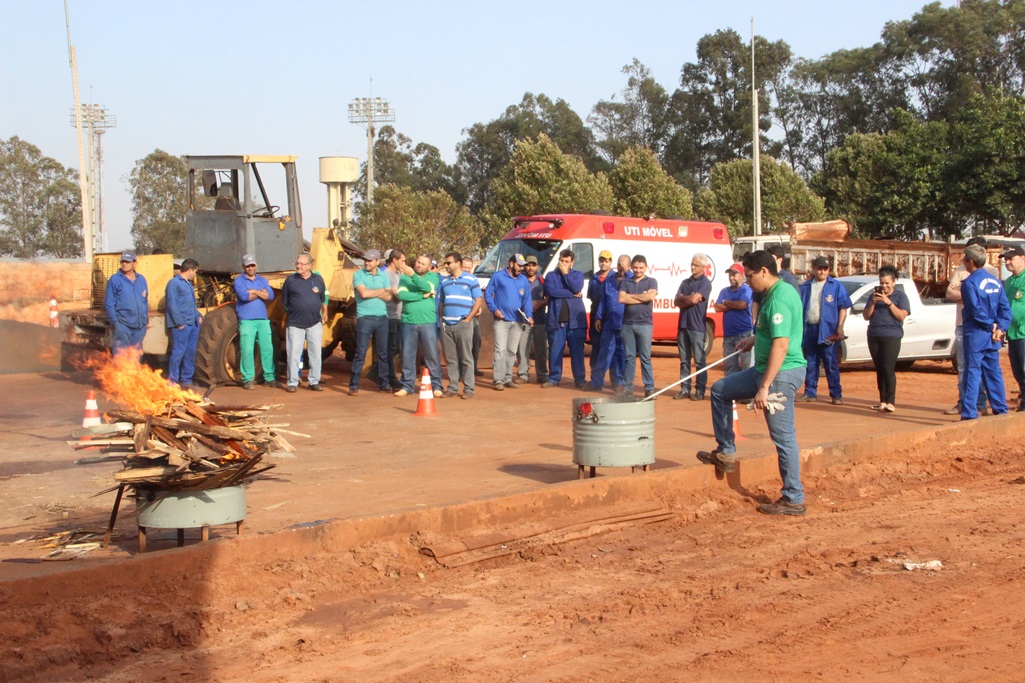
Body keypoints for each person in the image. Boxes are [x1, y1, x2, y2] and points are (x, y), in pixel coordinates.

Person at [697, 250, 807, 516]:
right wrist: (755, 339)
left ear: (764, 272)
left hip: (780, 374)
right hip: (765, 369)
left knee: (783, 436)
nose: (747, 281)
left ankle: (793, 497)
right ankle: (726, 451)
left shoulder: (779, 298)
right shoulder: (775, 293)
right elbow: (776, 334)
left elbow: (782, 345)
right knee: (720, 390)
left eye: (749, 276)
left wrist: (765, 387)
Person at [944, 237, 998, 415]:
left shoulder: (992, 271)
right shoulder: (961, 269)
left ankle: (980, 404)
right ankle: (964, 402)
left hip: (983, 327)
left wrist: (967, 295)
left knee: (983, 367)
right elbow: (949, 293)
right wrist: (970, 295)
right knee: (963, 366)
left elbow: (989, 299)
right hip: (962, 324)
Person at [960, 244, 1011, 420]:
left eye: (964, 259)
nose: (963, 262)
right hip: (992, 336)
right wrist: (1000, 328)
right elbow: (1005, 309)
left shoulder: (969, 283)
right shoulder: (996, 282)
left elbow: (975, 310)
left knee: (972, 373)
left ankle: (969, 413)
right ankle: (1001, 409)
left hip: (976, 334)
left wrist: (992, 326)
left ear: (971, 261)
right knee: (993, 372)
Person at [799, 255, 852, 405]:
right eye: (819, 268)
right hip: (809, 329)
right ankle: (810, 392)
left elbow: (843, 307)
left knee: (830, 363)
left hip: (828, 331)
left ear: (828, 270)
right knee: (810, 362)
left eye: (825, 269)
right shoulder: (806, 286)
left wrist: (840, 327)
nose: (822, 271)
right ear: (814, 269)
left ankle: (836, 394)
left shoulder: (835, 286)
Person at [862, 264, 910, 412]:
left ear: (894, 282)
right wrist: (874, 303)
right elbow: (866, 316)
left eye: (887, 283)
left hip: (891, 336)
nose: (884, 286)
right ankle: (882, 400)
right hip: (874, 335)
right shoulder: (873, 296)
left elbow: (901, 316)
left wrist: (888, 302)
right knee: (879, 369)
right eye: (882, 283)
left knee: (888, 368)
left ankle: (891, 401)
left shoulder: (900, 296)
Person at [394, 254, 444, 398]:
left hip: (427, 321)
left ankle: (436, 386)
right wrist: (422, 296)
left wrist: (413, 276)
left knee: (431, 354)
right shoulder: (404, 277)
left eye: (423, 264)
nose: (419, 265)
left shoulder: (433, 277)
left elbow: (427, 287)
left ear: (429, 267)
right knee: (407, 354)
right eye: (418, 262)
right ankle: (407, 386)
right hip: (408, 321)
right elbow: (402, 295)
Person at [348, 248, 394, 396]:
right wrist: (381, 290)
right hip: (365, 318)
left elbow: (389, 297)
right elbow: (363, 293)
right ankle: (354, 385)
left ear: (377, 261)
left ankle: (384, 383)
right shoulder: (358, 274)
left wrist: (373, 292)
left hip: (382, 318)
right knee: (360, 352)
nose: (366, 263)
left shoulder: (383, 275)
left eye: (370, 260)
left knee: (383, 353)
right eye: (365, 260)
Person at [438, 252, 483, 398]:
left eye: (449, 262)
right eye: (446, 263)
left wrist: (468, 319)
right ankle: (452, 387)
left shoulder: (471, 279)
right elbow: (442, 302)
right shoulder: (445, 281)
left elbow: (478, 300)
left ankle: (469, 389)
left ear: (458, 263)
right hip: (447, 324)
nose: (446, 265)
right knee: (451, 358)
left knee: (466, 358)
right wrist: (441, 319)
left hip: (463, 323)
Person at [485, 254, 533, 390]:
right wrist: (494, 309)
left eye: (523, 266)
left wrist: (529, 315)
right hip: (501, 320)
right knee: (500, 349)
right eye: (519, 265)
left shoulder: (523, 280)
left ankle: (507, 378)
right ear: (511, 264)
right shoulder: (498, 276)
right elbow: (488, 294)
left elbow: (527, 300)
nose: (521, 268)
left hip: (517, 321)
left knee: (512, 351)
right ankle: (498, 379)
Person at [281, 253, 328, 393]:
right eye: (297, 263)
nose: (298, 266)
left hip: (315, 323)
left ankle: (314, 381)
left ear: (309, 265)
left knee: (316, 354)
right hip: (295, 324)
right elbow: (285, 302)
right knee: (293, 354)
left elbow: (322, 298)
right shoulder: (290, 280)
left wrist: (325, 312)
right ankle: (292, 382)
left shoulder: (318, 279)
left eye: (302, 264)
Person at [542, 249, 587, 389]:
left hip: (575, 322)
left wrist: (566, 274)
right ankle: (553, 378)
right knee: (555, 351)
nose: (563, 264)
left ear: (572, 262)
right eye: (561, 261)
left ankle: (580, 379)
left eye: (566, 261)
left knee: (577, 352)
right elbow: (551, 291)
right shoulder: (551, 275)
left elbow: (577, 287)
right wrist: (572, 294)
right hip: (557, 320)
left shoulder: (578, 275)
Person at [234, 254, 278, 390]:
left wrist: (254, 291)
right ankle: (248, 379)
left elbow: (270, 295)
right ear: (243, 266)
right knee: (247, 350)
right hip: (247, 320)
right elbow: (244, 296)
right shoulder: (239, 281)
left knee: (267, 349)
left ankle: (269, 378)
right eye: (247, 266)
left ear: (256, 265)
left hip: (263, 320)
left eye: (252, 265)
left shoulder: (262, 279)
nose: (250, 268)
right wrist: (261, 293)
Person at [618, 254, 658, 398]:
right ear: (631, 267)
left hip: (645, 324)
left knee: (645, 357)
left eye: (641, 268)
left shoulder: (651, 281)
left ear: (646, 267)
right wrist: (642, 297)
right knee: (629, 358)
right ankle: (627, 388)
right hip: (627, 324)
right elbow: (621, 298)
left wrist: (631, 296)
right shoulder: (626, 282)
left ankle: (649, 388)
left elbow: (650, 297)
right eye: (635, 267)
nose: (638, 270)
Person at [673, 253, 712, 400]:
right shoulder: (685, 282)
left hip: (697, 327)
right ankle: (685, 389)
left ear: (703, 267)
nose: (693, 267)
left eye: (696, 265)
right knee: (684, 360)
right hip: (683, 325)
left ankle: (700, 390)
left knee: (699, 361)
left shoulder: (705, 283)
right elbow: (676, 301)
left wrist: (685, 299)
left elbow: (695, 300)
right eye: (692, 264)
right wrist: (687, 299)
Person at [589, 254, 630, 391]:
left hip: (623, 323)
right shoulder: (610, 280)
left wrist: (627, 271)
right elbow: (603, 301)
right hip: (609, 322)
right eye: (619, 264)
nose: (620, 268)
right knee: (604, 352)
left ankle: (618, 382)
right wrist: (598, 317)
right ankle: (596, 382)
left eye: (623, 265)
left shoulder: (630, 280)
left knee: (620, 354)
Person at [164, 258, 202, 389]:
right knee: (178, 352)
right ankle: (173, 380)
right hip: (182, 325)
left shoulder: (188, 284)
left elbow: (191, 304)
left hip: (192, 324)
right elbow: (172, 304)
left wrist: (198, 316)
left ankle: (186, 380)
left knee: (190, 352)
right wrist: (180, 323)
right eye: (195, 271)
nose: (195, 274)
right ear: (190, 270)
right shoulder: (174, 283)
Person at [104, 251, 149, 355]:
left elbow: (145, 300)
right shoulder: (115, 280)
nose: (124, 264)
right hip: (123, 326)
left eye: (127, 262)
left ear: (134, 264)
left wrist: (145, 320)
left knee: (135, 356)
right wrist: (116, 323)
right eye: (122, 261)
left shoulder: (141, 279)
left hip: (140, 327)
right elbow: (109, 303)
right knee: (121, 357)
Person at [713, 263, 753, 377]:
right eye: (730, 275)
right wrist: (734, 304)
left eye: (734, 275)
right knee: (729, 367)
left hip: (743, 333)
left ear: (741, 275)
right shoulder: (724, 291)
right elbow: (717, 307)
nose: (731, 277)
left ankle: (746, 388)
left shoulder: (746, 290)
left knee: (746, 365)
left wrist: (726, 302)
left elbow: (742, 304)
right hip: (728, 335)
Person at [518, 255, 548, 384]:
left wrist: (539, 304)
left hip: (540, 319)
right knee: (522, 349)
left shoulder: (542, 280)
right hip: (523, 320)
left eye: (533, 265)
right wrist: (529, 305)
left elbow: (549, 297)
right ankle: (523, 375)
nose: (530, 268)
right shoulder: (519, 279)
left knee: (541, 349)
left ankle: (542, 375)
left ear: (537, 266)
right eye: (528, 265)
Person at [1002, 246, 1025, 411]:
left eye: (1011, 258)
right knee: (1018, 371)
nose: (1007, 262)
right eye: (1006, 259)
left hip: (1024, 333)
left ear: (1023, 258)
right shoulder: (1009, 282)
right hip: (1012, 333)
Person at [381, 249, 406, 391]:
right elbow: (396, 294)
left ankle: (384, 373)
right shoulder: (386, 275)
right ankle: (386, 375)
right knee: (391, 347)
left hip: (398, 316)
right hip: (389, 316)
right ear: (394, 260)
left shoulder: (398, 274)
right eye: (402, 261)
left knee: (396, 347)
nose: (404, 263)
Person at [588, 250, 614, 371]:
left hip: (610, 315)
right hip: (595, 315)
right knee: (596, 345)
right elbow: (591, 296)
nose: (603, 263)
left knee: (611, 346)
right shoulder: (594, 278)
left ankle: (614, 378)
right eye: (601, 261)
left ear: (611, 262)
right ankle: (595, 375)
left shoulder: (615, 277)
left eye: (606, 261)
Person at [462, 256, 484, 377]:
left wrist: (478, 307)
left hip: (473, 316)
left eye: (469, 268)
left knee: (477, 340)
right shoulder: (456, 279)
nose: (466, 270)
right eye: (464, 267)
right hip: (461, 317)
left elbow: (477, 297)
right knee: (462, 344)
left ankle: (473, 368)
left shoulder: (473, 279)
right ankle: (462, 371)